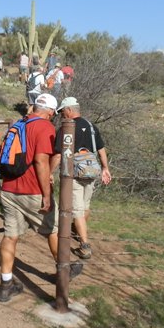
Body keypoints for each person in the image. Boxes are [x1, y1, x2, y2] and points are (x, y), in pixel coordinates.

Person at [0, 94, 82, 303]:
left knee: (10, 236)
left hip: (8, 189)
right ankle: (65, 270)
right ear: (51, 111)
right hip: (31, 191)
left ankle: (5, 285)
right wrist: (46, 195)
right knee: (53, 229)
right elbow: (40, 162)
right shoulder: (45, 128)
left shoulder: (18, 124)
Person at [50, 97, 112, 260]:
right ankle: (79, 232)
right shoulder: (91, 126)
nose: (62, 115)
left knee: (77, 210)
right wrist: (105, 168)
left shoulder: (66, 128)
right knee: (85, 206)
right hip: (91, 170)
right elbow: (101, 149)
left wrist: (49, 172)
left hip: (74, 173)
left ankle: (84, 246)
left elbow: (57, 155)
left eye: (62, 111)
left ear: (69, 110)